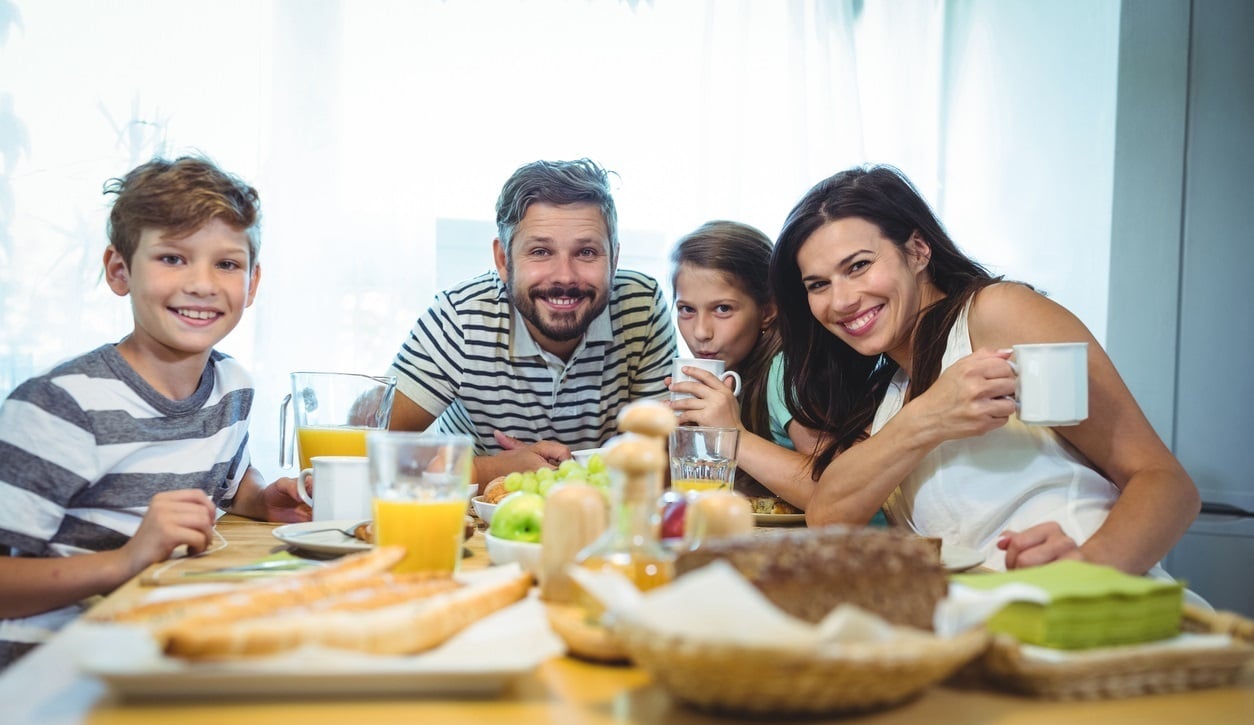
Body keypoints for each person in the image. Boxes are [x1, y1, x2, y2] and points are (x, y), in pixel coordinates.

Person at [769, 164, 1200, 578]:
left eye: (858, 265)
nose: (841, 300)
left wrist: (1088, 567)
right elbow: (828, 514)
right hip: (991, 622)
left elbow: (1165, 483)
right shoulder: (890, 392)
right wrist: (927, 417)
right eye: (818, 285)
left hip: (1084, 614)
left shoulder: (994, 313)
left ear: (918, 251)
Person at [0, 155, 309, 667]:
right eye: (172, 258)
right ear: (119, 272)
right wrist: (127, 560)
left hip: (149, 655)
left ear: (252, 284)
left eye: (226, 263)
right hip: (46, 677)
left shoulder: (231, 387)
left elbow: (228, 485)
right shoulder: (60, 407)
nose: (202, 284)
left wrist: (264, 500)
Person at [388, 158, 677, 485]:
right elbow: (364, 451)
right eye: (540, 251)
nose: (565, 276)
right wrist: (491, 470)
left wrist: (558, 480)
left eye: (586, 253)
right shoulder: (460, 317)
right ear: (503, 260)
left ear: (614, 259)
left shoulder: (642, 307)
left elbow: (662, 465)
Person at [666, 220, 819, 509]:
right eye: (686, 309)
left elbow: (829, 488)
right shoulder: (734, 368)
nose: (700, 332)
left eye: (722, 309)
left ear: (768, 310)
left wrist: (731, 433)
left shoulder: (785, 371)